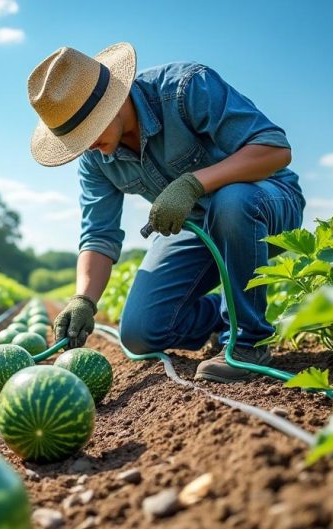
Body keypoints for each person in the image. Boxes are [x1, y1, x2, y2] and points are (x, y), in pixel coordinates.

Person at [27, 42, 304, 383]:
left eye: (88, 132)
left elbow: (275, 149)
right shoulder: (95, 158)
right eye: (76, 140)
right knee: (141, 332)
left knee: (230, 202)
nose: (86, 146)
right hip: (196, 226)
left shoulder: (186, 88)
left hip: (264, 207)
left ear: (109, 103)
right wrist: (83, 298)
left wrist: (194, 184)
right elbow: (99, 235)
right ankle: (223, 315)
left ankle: (249, 343)